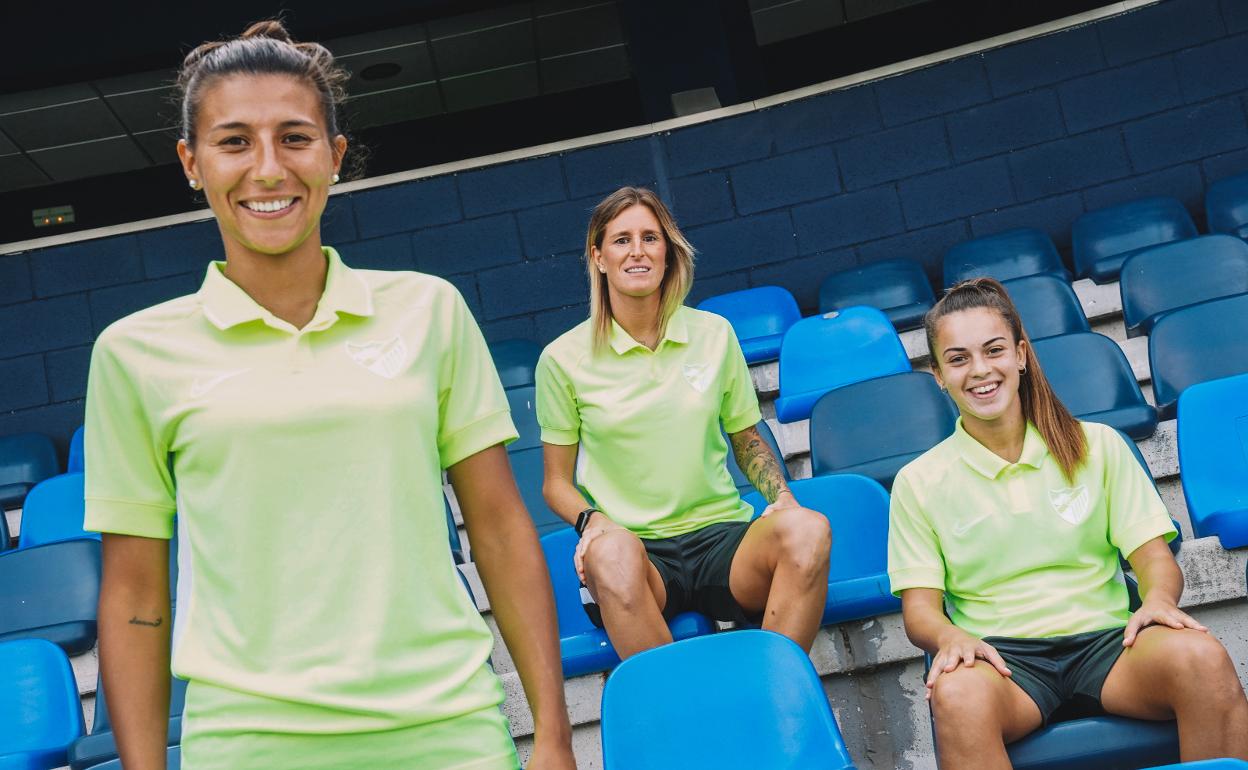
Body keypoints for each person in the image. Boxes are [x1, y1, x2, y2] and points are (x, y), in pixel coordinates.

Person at [84, 20, 575, 770]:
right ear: (191, 162)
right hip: (248, 747)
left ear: (335, 155)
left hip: (446, 731)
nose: (269, 169)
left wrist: (553, 735)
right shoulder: (131, 354)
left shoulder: (429, 309)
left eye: (295, 137)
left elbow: (502, 532)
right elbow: (135, 599)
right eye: (234, 141)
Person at [888, 277, 1248, 768]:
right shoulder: (918, 482)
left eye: (994, 350)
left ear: (1019, 354)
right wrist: (950, 637)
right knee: (956, 696)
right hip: (1003, 663)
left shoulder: (1097, 445)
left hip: (1110, 646)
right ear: (938, 375)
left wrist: (1158, 601)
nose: (980, 371)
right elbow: (920, 613)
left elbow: (1154, 560)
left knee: (1202, 658)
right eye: (958, 359)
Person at [536, 186, 832, 659]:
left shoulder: (713, 334)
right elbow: (555, 484)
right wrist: (594, 523)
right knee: (609, 554)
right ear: (597, 256)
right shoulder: (561, 358)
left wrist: (782, 497)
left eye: (651, 238)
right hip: (636, 552)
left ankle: (771, 693)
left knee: (808, 529)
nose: (638, 251)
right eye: (621, 240)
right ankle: (678, 716)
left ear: (668, 252)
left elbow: (747, 438)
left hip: (721, 540)